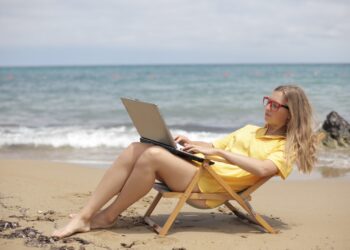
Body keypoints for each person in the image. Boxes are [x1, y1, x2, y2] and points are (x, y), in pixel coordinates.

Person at [52, 84, 317, 238]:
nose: (267, 107)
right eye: (267, 101)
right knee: (137, 147)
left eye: (275, 105)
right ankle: (88, 214)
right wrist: (190, 143)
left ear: (291, 115)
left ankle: (106, 217)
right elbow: (213, 146)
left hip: (208, 188)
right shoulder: (250, 130)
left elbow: (261, 169)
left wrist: (220, 155)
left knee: (153, 156)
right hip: (197, 170)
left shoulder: (286, 148)